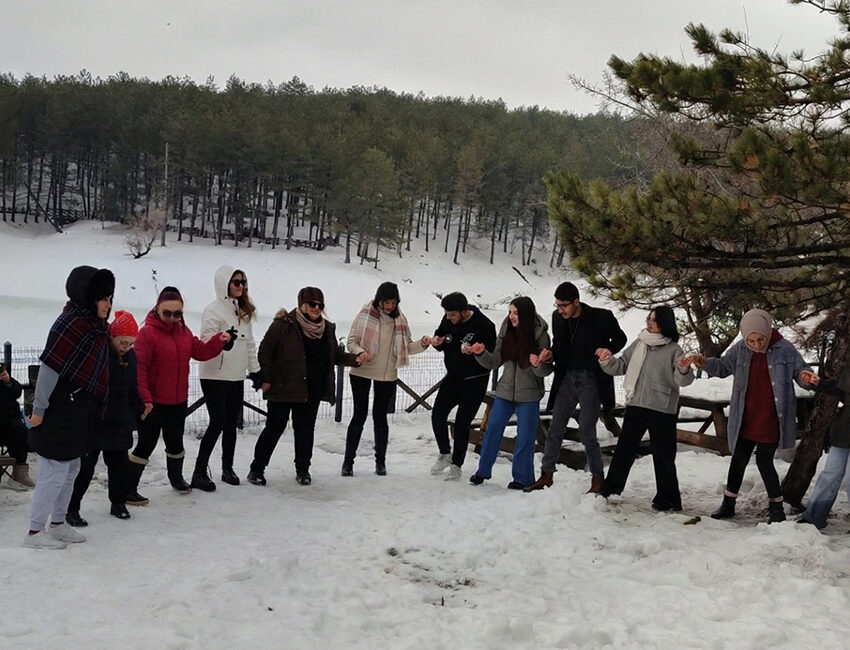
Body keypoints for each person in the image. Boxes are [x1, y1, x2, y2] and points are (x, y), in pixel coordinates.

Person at [689, 309, 816, 523]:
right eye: (751, 340)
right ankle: (728, 504)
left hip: (771, 417)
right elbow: (722, 367)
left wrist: (806, 377)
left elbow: (800, 371)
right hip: (745, 416)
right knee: (738, 459)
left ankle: (777, 508)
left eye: (760, 339)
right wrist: (705, 362)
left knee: (765, 462)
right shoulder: (740, 350)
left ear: (767, 332)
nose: (757, 345)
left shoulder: (784, 349)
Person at [24, 265, 114, 549]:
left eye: (110, 298)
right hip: (59, 407)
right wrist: (38, 410)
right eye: (103, 298)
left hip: (80, 408)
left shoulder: (96, 326)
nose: (108, 304)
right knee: (54, 470)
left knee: (72, 467)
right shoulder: (69, 324)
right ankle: (35, 533)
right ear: (87, 296)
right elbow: (49, 368)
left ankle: (58, 524)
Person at [127, 286, 231, 502]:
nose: (172, 318)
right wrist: (145, 399)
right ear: (157, 309)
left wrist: (218, 341)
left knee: (175, 443)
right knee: (146, 444)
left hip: (177, 401)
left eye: (178, 314)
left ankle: (176, 478)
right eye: (168, 313)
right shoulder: (147, 333)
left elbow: (200, 352)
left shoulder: (183, 332)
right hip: (153, 403)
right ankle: (128, 488)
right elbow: (139, 369)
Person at [248, 287, 359, 486]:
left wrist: (355, 359)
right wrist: (267, 377)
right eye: (312, 304)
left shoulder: (327, 329)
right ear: (302, 304)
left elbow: (335, 356)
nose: (316, 308)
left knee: (305, 430)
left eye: (320, 305)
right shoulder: (283, 325)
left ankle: (303, 470)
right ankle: (257, 468)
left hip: (311, 390)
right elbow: (265, 351)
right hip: (283, 388)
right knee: (274, 428)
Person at [525, 282, 627, 493]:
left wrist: (607, 349)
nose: (560, 309)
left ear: (576, 302)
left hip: (591, 378)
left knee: (587, 429)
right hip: (567, 377)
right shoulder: (557, 318)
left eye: (564, 305)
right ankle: (547, 474)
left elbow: (620, 338)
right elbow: (559, 344)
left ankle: (597, 477)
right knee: (555, 427)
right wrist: (549, 353)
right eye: (557, 305)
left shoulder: (601, 317)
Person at [597, 306, 694, 510]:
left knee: (664, 455)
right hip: (637, 404)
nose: (649, 323)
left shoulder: (674, 349)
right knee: (624, 450)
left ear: (664, 324)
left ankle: (667, 499)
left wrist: (684, 368)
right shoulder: (640, 342)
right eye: (648, 319)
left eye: (654, 321)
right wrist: (607, 359)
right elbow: (621, 365)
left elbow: (682, 380)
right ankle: (610, 490)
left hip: (662, 408)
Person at [66, 310, 144, 526]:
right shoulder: (99, 354)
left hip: (120, 421)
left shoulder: (131, 358)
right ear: (112, 336)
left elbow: (132, 388)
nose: (126, 347)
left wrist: (138, 408)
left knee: (119, 466)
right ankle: (71, 508)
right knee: (85, 468)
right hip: (96, 420)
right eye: (123, 342)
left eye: (130, 343)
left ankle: (118, 503)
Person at [343, 281, 429, 477]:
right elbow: (351, 341)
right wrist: (360, 352)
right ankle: (348, 462)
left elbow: (406, 346)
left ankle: (380, 463)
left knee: (381, 418)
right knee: (359, 415)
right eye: (386, 302)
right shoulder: (365, 314)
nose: (390, 306)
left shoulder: (400, 319)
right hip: (362, 371)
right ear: (378, 300)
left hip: (387, 374)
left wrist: (423, 344)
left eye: (393, 302)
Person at [468, 297, 552, 489]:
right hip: (505, 390)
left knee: (525, 437)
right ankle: (482, 471)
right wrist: (481, 353)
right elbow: (495, 360)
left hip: (529, 393)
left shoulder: (540, 334)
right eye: (510, 312)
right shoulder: (506, 329)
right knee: (492, 430)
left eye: (515, 313)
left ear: (526, 314)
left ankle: (522, 478)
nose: (511, 317)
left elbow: (546, 370)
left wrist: (539, 363)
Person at [192, 266, 262, 491]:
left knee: (231, 424)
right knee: (217, 422)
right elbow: (205, 341)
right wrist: (224, 341)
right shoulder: (213, 310)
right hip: (214, 375)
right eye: (236, 282)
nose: (241, 286)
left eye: (243, 282)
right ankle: (199, 471)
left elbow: (250, 344)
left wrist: (256, 371)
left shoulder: (243, 312)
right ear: (225, 284)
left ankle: (227, 468)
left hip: (235, 376)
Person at [423, 292, 496, 481]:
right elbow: (441, 338)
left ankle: (457, 464)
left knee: (462, 423)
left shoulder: (485, 325)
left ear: (464, 312)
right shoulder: (447, 319)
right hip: (453, 377)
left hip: (475, 380)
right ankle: (445, 453)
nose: (449, 318)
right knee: (437, 414)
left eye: (452, 315)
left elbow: (493, 356)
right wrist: (437, 343)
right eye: (447, 314)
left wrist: (476, 352)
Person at [796, 363, 850, 529]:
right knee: (830, 474)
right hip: (845, 429)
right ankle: (814, 516)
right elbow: (841, 389)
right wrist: (818, 383)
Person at [0, 363, 34, 487]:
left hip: (8, 420)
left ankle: (20, 472)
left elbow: (16, 392)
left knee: (19, 431)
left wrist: (7, 381)